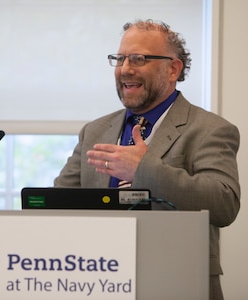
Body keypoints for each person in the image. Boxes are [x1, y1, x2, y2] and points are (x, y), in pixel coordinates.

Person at [54, 19, 240, 300]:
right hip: (99, 281)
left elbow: (223, 204)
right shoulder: (95, 131)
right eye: (120, 58)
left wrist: (144, 169)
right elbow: (55, 206)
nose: (126, 68)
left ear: (173, 69)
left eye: (139, 59)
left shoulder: (210, 130)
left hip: (179, 283)